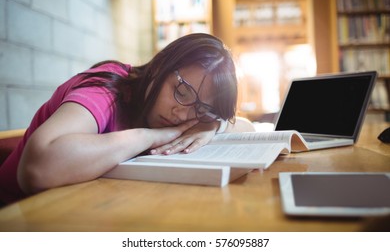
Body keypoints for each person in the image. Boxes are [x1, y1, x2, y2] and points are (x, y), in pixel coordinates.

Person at [0, 33, 254, 205]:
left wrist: (212, 125)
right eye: (181, 91)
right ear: (160, 64)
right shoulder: (108, 88)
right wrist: (149, 137)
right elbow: (38, 168)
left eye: (200, 108)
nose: (182, 114)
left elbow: (248, 128)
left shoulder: (190, 115)